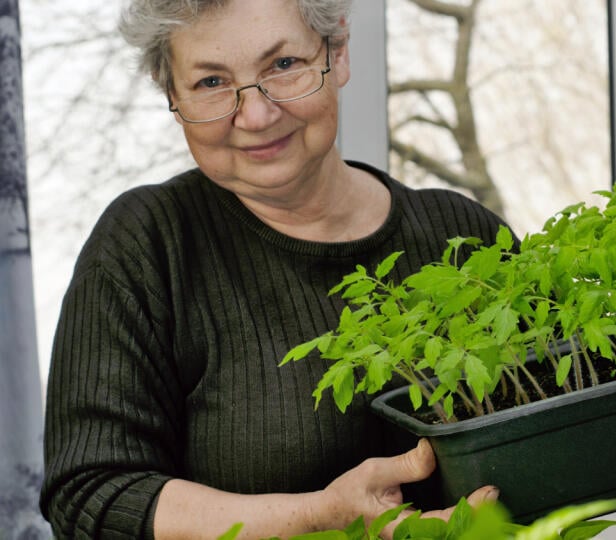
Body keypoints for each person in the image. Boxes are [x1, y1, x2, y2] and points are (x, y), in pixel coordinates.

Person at [39, 0, 505, 537]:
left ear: (339, 52)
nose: (256, 116)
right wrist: (316, 518)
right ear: (171, 93)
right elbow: (89, 495)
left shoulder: (465, 237)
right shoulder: (147, 245)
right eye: (212, 81)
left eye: (283, 66)